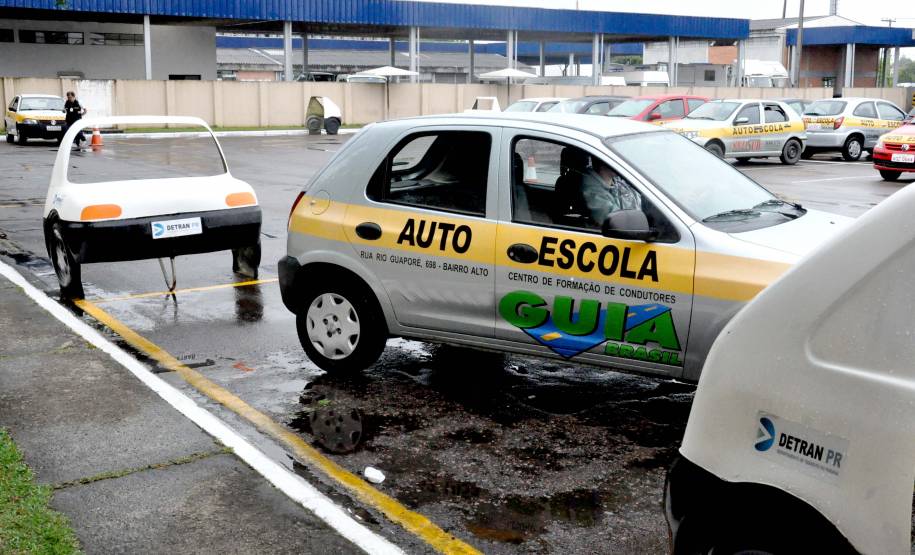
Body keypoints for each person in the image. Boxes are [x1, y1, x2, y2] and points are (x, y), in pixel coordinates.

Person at [579, 156, 642, 227]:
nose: (620, 164)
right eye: (615, 160)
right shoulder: (591, 190)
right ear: (603, 163)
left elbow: (641, 199)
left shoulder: (619, 181)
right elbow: (616, 222)